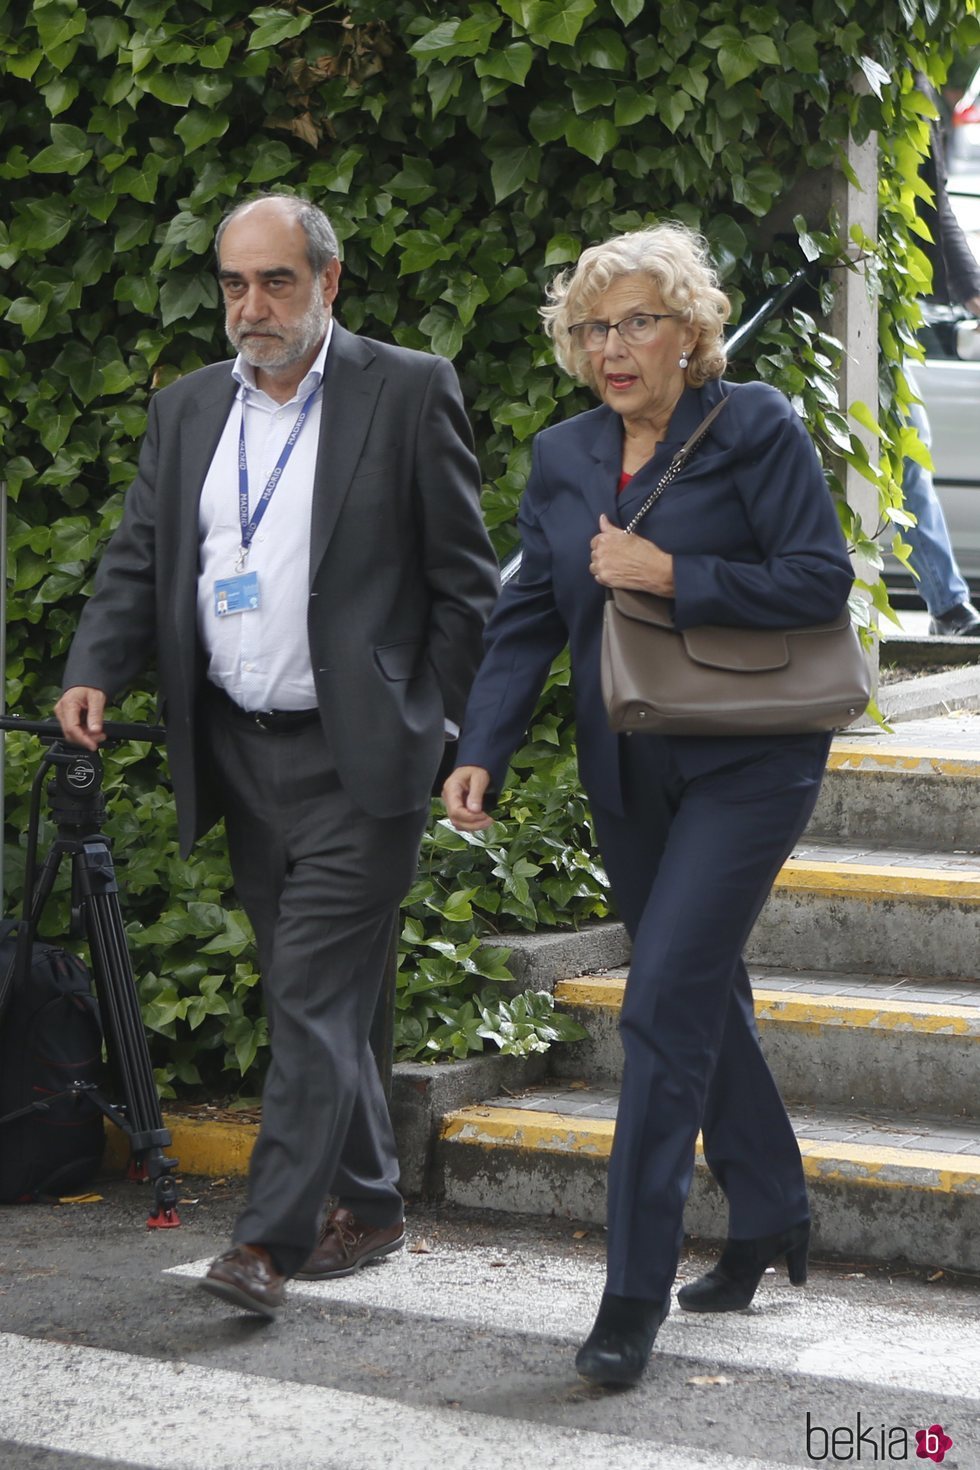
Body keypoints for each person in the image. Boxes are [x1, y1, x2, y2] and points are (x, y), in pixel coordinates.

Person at [54, 194, 499, 1319]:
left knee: (307, 990)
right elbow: (140, 553)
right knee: (327, 992)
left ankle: (266, 1240)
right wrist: (96, 665)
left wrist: (437, 724)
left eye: (277, 283)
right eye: (235, 286)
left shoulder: (405, 389)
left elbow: (464, 584)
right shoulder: (190, 408)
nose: (253, 308)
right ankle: (374, 1199)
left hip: (361, 755)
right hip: (240, 753)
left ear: (329, 282)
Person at [442, 223, 855, 1388]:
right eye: (591, 326)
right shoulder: (563, 455)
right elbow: (527, 615)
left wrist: (675, 575)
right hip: (627, 769)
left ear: (690, 331)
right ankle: (770, 1208)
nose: (611, 346)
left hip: (750, 758)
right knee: (700, 994)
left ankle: (629, 1294)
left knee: (663, 1003)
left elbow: (817, 577)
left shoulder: (755, 425)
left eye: (637, 321)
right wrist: (483, 746)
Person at [903, 73, 980, 636]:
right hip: (873, 304)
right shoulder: (897, 79)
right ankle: (948, 606)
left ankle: (947, 606)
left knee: (912, 450)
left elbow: (937, 202)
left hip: (894, 307)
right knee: (911, 449)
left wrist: (972, 287)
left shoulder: (917, 84)